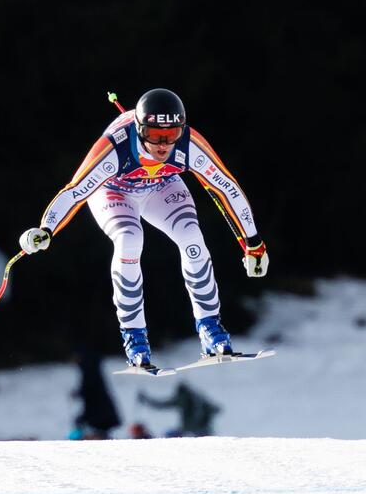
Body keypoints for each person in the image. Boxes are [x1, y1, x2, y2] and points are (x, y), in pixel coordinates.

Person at [18, 88, 268, 372]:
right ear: (139, 130)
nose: (163, 145)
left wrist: (253, 241)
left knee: (191, 237)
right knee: (129, 239)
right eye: (154, 135)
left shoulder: (189, 143)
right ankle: (135, 339)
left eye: (171, 135)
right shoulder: (116, 146)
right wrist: (46, 230)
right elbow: (75, 191)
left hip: (162, 186)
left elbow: (225, 186)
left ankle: (211, 329)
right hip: (115, 192)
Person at [70, 347, 121, 438]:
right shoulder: (90, 368)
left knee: (96, 428)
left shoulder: (88, 369)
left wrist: (78, 393)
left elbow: (90, 387)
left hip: (98, 411)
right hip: (98, 410)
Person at [137, 383, 222, 437]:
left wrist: (146, 400)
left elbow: (162, 404)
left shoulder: (182, 398)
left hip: (191, 431)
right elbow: (216, 409)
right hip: (204, 430)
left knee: (168, 435)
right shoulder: (199, 398)